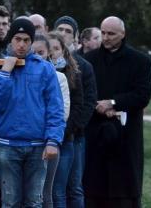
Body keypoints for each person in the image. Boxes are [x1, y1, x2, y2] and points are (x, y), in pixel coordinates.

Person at [0, 18, 65, 207]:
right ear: (10, 40)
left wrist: (53, 141)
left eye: (26, 40)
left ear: (32, 41)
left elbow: (55, 108)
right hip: (8, 145)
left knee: (34, 202)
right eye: (17, 39)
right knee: (10, 202)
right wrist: (5, 73)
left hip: (38, 146)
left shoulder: (45, 68)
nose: (21, 44)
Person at [84, 16, 151, 208]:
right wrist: (97, 105)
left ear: (123, 34)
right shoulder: (89, 60)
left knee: (124, 191)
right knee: (93, 189)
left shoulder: (140, 61)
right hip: (95, 134)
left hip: (126, 135)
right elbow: (83, 92)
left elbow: (142, 94)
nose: (106, 38)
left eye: (111, 34)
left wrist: (113, 103)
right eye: (103, 33)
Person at [53, 15, 97, 208]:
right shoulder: (44, 63)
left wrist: (70, 128)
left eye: (68, 31)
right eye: (60, 30)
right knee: (54, 189)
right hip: (50, 136)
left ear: (76, 37)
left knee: (74, 187)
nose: (63, 34)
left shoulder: (83, 67)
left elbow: (87, 103)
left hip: (74, 136)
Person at [31, 34, 70, 208]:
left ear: (48, 54)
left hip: (47, 140)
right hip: (23, 141)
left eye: (41, 52)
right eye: (34, 52)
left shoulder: (59, 78)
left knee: (44, 193)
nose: (37, 57)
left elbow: (62, 112)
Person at [47, 32, 84, 208]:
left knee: (58, 190)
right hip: (42, 139)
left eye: (57, 48)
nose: (53, 52)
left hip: (66, 138)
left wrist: (60, 131)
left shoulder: (73, 74)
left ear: (63, 51)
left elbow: (77, 106)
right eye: (50, 48)